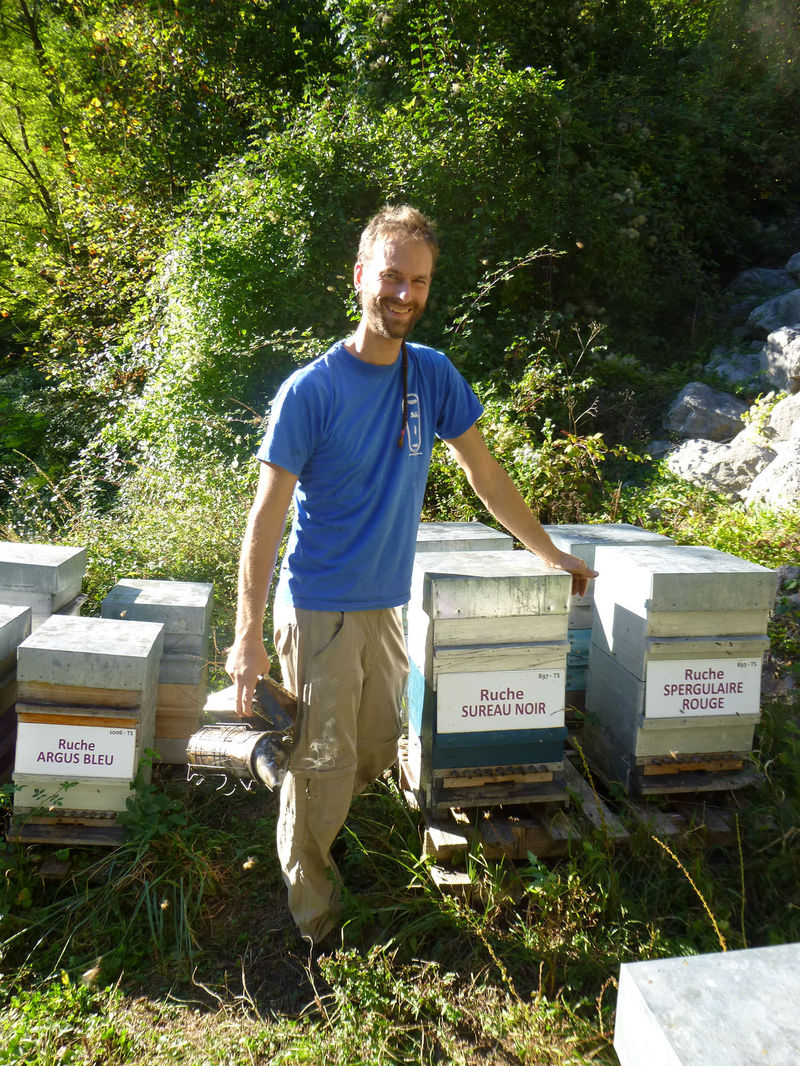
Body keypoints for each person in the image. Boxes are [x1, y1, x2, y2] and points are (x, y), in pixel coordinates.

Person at [225, 204, 597, 946]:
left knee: (372, 748)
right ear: (361, 276)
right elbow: (264, 520)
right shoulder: (311, 391)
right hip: (321, 607)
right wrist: (247, 640)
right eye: (391, 277)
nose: (405, 294)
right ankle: (317, 924)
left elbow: (484, 473)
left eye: (419, 281)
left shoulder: (432, 375)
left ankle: (283, 762)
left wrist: (548, 553)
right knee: (326, 766)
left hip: (385, 607)